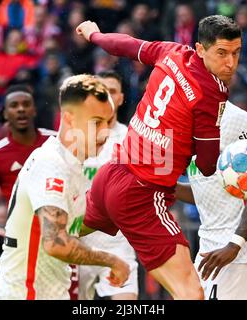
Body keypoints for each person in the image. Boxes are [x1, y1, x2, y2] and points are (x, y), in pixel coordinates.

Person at [76, 15, 242, 299]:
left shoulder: (174, 52)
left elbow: (127, 46)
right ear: (201, 50)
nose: (230, 63)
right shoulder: (211, 94)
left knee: (64, 234)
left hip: (112, 174)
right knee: (191, 293)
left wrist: (95, 35)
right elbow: (205, 165)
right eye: (222, 53)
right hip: (143, 196)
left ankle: (24, 240)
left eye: (236, 53)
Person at [0, 74, 130, 300]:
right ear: (70, 119)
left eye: (108, 122)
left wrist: (117, 212)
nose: (105, 132)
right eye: (96, 122)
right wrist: (111, 260)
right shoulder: (51, 164)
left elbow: (72, 227)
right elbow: (56, 243)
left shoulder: (74, 165)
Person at [175, 101, 247, 299]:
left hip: (238, 254)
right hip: (208, 248)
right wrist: (159, 186)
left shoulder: (235, 118)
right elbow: (204, 191)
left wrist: (234, 245)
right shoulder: (183, 121)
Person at [0, 84, 55, 256]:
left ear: (34, 110)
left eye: (26, 104)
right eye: (14, 105)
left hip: (59, 236)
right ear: (5, 114)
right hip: (20, 240)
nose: (21, 109)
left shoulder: (57, 142)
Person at [79, 70, 138, 300]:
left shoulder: (133, 140)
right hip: (77, 243)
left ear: (122, 97)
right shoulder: (75, 138)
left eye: (112, 91)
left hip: (117, 243)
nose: (107, 97)